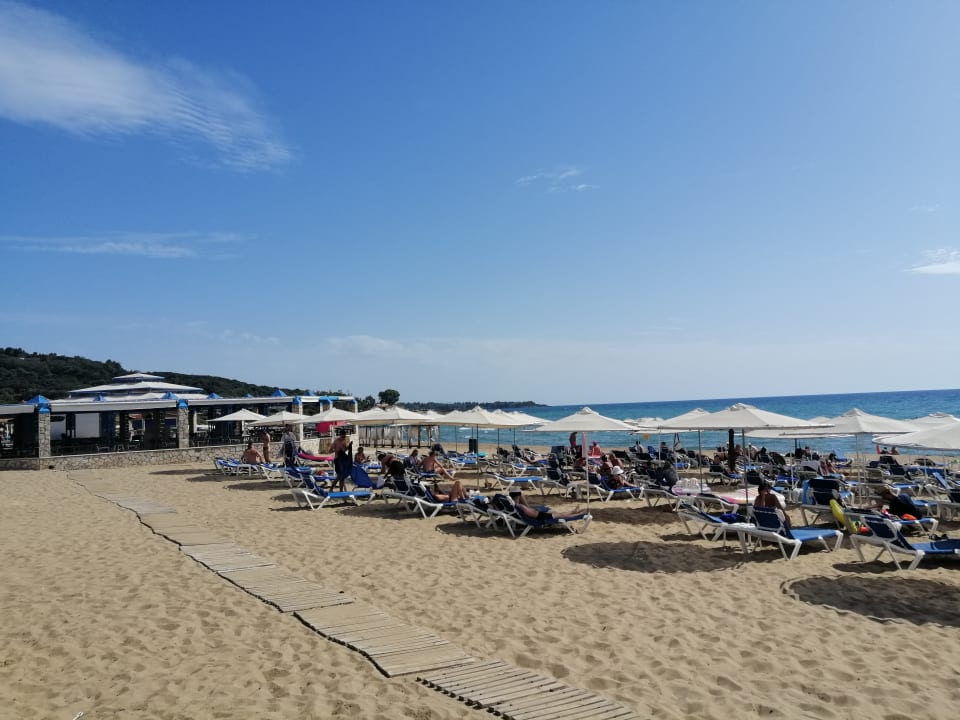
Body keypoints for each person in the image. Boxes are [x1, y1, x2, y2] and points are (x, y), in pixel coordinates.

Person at [508, 490, 583, 521]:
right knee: (560, 515)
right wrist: (537, 510)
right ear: (518, 497)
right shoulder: (520, 506)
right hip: (540, 516)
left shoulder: (515, 505)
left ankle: (573, 511)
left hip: (539, 515)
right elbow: (533, 514)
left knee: (558, 513)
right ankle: (578, 514)